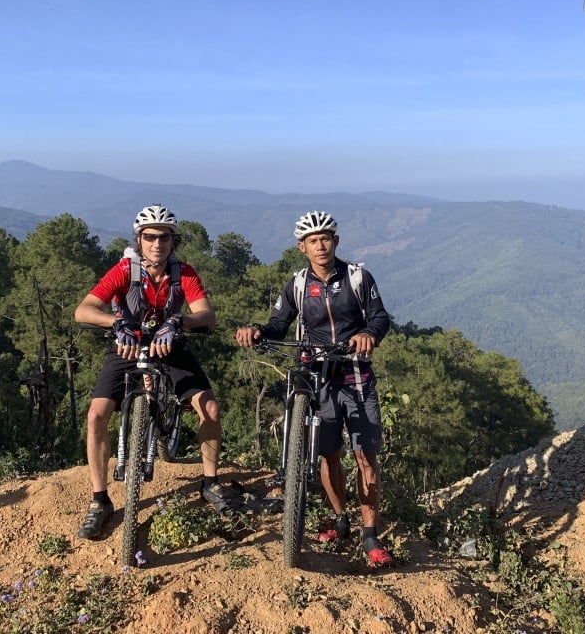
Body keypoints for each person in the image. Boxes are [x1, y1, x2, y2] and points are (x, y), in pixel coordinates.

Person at [234, 210, 393, 567]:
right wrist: (257, 330)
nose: (320, 246)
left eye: (326, 239)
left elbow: (380, 316)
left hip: (355, 375)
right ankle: (341, 518)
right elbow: (278, 323)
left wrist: (369, 335)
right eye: (313, 241)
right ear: (302, 247)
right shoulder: (298, 286)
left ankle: (370, 534)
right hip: (316, 377)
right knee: (329, 454)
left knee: (365, 457)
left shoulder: (357, 277)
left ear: (335, 241)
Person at [74, 204, 240, 539]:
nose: (156, 243)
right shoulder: (125, 270)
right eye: (149, 236)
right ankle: (99, 501)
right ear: (139, 239)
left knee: (209, 407)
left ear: (172, 240)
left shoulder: (184, 273)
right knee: (95, 416)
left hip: (171, 345)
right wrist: (116, 322)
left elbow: (207, 315)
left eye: (164, 237)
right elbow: (84, 310)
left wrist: (178, 320)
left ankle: (210, 482)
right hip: (128, 345)